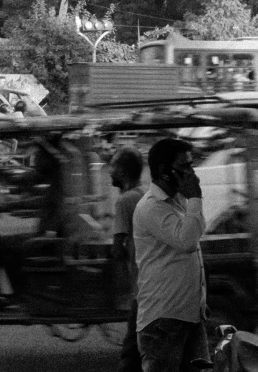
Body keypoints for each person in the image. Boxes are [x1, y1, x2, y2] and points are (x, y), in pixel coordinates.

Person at [132, 138, 208, 372]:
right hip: (164, 320)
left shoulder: (177, 202)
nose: (192, 174)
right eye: (184, 167)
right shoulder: (151, 206)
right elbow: (186, 241)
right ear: (165, 171)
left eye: (191, 165)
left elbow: (194, 234)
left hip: (188, 317)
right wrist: (195, 198)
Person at [110, 148, 146, 372]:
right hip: (157, 282)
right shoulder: (145, 193)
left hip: (143, 287)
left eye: (113, 166)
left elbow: (116, 249)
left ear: (123, 171)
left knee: (131, 352)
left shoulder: (124, 201)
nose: (109, 172)